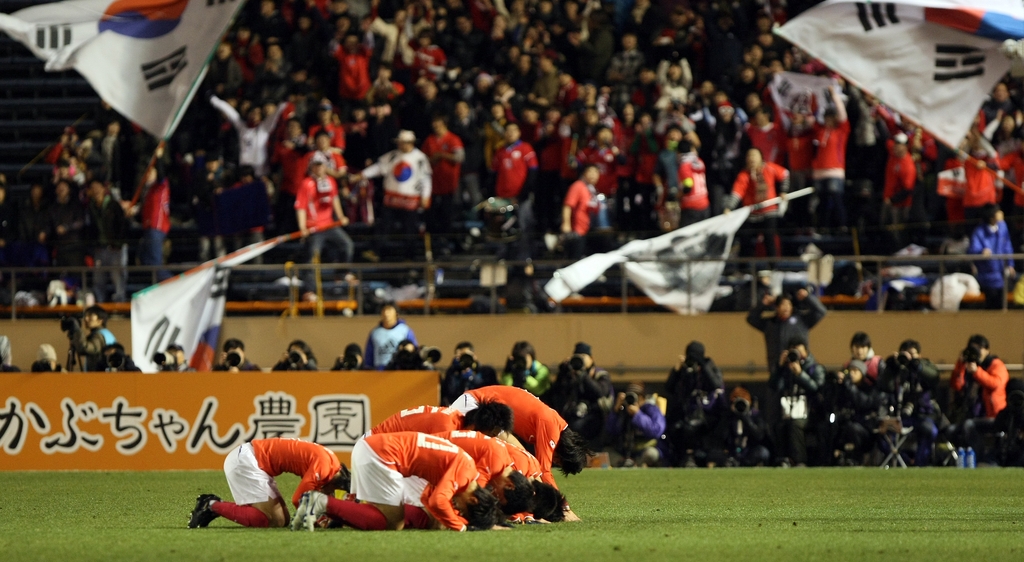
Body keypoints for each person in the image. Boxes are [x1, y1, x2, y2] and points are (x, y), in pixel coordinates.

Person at [291, 432, 500, 532]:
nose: (458, 509)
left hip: (376, 451)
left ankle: (330, 506)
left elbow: (428, 496)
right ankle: (321, 503)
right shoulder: (465, 473)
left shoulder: (466, 471)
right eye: (463, 510)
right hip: (382, 456)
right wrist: (460, 527)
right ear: (472, 500)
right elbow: (437, 501)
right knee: (392, 523)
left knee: (390, 517)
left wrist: (445, 521)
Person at [449, 385, 590, 496]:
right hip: (474, 406)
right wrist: (562, 506)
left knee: (523, 457)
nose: (555, 461)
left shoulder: (553, 422)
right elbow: (544, 471)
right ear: (566, 451)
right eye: (559, 460)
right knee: (451, 452)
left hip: (485, 413)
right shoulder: (551, 425)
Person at [187, 437, 347, 529]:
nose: (330, 495)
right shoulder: (325, 468)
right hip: (246, 461)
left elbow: (320, 493)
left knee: (282, 520)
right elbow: (298, 499)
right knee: (271, 520)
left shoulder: (331, 464)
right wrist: (319, 520)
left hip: (251, 458)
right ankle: (211, 505)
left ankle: (219, 507)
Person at [352, 130, 432, 260]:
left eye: (404, 143)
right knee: (384, 226)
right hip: (392, 199)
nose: (401, 146)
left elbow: (426, 179)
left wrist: (425, 196)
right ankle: (375, 251)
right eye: (400, 143)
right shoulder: (392, 156)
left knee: (410, 230)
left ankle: (409, 256)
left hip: (410, 201)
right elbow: (378, 168)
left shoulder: (420, 158)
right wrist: (362, 174)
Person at [295, 156, 354, 293]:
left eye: (321, 165)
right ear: (311, 167)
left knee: (347, 245)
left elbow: (334, 199)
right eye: (316, 165)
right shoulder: (306, 183)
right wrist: (302, 227)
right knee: (312, 255)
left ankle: (342, 273)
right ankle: (310, 290)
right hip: (314, 227)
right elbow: (300, 207)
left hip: (329, 225)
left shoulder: (331, 181)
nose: (319, 168)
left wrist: (340, 216)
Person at [878, 339, 940, 467]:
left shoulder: (925, 365)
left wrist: (917, 366)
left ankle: (919, 464)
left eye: (912, 354)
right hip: (902, 416)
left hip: (924, 415)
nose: (909, 358)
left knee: (929, 431)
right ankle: (904, 462)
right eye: (905, 354)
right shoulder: (898, 370)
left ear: (919, 355)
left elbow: (934, 377)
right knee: (882, 433)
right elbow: (885, 386)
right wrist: (890, 368)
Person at [949, 334, 1010, 461]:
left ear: (987, 350)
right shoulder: (968, 366)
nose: (976, 352)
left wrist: (977, 372)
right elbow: (956, 385)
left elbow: (995, 384)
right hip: (971, 414)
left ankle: (979, 460)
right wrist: (960, 365)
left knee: (970, 425)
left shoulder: (996, 364)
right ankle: (962, 459)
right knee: (950, 430)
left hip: (994, 416)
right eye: (973, 348)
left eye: (980, 348)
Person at [664, 341, 725, 467]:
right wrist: (677, 370)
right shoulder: (684, 369)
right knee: (676, 428)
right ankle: (685, 457)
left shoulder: (710, 367)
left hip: (708, 413)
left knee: (691, 429)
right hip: (687, 413)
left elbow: (716, 385)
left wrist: (703, 365)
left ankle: (697, 456)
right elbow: (669, 388)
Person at [767, 336, 826, 466]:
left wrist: (800, 374)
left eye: (799, 352)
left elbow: (816, 388)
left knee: (795, 424)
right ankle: (783, 460)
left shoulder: (815, 368)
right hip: (789, 411)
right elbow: (775, 386)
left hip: (811, 413)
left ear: (806, 351)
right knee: (780, 426)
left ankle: (800, 461)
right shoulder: (786, 370)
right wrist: (780, 367)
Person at [544, 342, 614, 444]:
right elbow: (556, 392)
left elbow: (600, 392)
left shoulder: (600, 374)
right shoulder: (570, 373)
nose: (580, 359)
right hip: (572, 417)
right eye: (577, 357)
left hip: (596, 419)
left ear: (591, 358)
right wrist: (563, 371)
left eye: (583, 356)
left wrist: (583, 376)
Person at [725, 148, 789, 258]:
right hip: (751, 213)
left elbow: (785, 174)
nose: (752, 158)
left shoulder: (770, 168)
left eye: (754, 155)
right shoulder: (744, 174)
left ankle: (772, 266)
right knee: (745, 239)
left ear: (761, 158)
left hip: (769, 211)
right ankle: (745, 269)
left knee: (769, 237)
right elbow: (737, 192)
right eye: (749, 156)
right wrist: (729, 207)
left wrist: (783, 191)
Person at [746, 288, 827, 375]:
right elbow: (751, 318)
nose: (786, 308)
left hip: (801, 368)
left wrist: (807, 298)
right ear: (777, 307)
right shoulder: (770, 324)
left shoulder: (801, 321)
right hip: (778, 370)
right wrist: (763, 304)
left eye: (788, 304)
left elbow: (821, 312)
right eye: (783, 304)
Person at [209, 95, 287, 177]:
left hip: (261, 173)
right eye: (253, 112)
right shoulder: (242, 127)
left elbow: (274, 116)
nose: (255, 115)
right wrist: (214, 99)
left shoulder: (264, 129)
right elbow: (230, 112)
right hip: (244, 172)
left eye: (258, 113)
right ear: (248, 114)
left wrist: (283, 103)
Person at [819, 360, 878, 466]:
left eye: (855, 371)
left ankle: (855, 459)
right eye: (850, 370)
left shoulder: (868, 388)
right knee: (827, 426)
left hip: (864, 428)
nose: (852, 373)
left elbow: (862, 402)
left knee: (852, 428)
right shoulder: (844, 387)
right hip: (844, 424)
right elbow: (830, 404)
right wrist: (834, 386)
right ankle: (828, 461)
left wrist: (848, 385)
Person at [421, 115, 464, 243]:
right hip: (432, 183)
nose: (436, 127)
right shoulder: (430, 140)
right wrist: (432, 159)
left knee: (447, 213)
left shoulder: (453, 139)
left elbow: (460, 157)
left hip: (448, 183)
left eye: (438, 124)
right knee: (432, 214)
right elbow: (422, 159)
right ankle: (434, 240)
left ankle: (447, 240)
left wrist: (443, 155)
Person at [83, 180, 128, 303]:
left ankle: (119, 305)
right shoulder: (90, 208)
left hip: (115, 248)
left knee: (117, 277)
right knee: (98, 279)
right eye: (93, 188)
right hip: (100, 248)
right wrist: (93, 246)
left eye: (98, 187)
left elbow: (123, 225)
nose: (96, 190)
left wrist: (118, 244)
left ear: (104, 189)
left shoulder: (113, 205)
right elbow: (90, 229)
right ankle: (100, 305)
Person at [604, 382, 666, 467]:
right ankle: (624, 464)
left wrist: (637, 415)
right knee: (606, 453)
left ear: (643, 398)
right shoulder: (622, 410)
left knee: (651, 454)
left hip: (643, 451)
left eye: (636, 396)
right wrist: (616, 410)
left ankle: (634, 464)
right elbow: (610, 430)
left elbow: (656, 430)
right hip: (623, 452)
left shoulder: (651, 409)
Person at [370, 402, 513, 438]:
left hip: (378, 445)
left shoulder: (454, 419)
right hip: (375, 448)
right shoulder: (446, 427)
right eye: (490, 436)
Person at [968, 204, 1015, 309]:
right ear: (991, 217)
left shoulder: (1002, 227)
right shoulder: (979, 232)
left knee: (1003, 306)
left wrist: (1010, 264)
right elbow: (973, 250)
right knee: (992, 307)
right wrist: (981, 251)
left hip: (1003, 275)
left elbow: (1008, 247)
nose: (1001, 213)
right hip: (988, 277)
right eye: (997, 211)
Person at [710, 386, 771, 467]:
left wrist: (746, 419)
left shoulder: (756, 415)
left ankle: (743, 463)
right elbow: (720, 436)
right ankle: (731, 462)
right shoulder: (728, 416)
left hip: (749, 451)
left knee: (763, 452)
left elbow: (759, 436)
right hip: (731, 451)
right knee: (713, 454)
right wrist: (729, 416)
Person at [561, 164, 600, 259]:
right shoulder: (578, 186)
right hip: (576, 231)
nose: (593, 175)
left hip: (587, 230)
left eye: (595, 172)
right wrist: (566, 224)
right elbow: (568, 205)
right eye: (590, 172)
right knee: (574, 259)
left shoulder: (591, 190)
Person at [364, 304, 417, 369]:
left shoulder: (405, 331)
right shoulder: (375, 333)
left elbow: (414, 350)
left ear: (396, 314)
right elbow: (369, 355)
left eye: (389, 311)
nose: (387, 314)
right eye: (384, 311)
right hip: (379, 370)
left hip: (399, 369)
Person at [65, 305, 116, 372]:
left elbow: (85, 348)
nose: (86, 319)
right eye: (85, 316)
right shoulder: (107, 334)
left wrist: (77, 331)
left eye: (90, 316)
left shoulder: (99, 335)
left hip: (98, 378)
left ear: (100, 320)